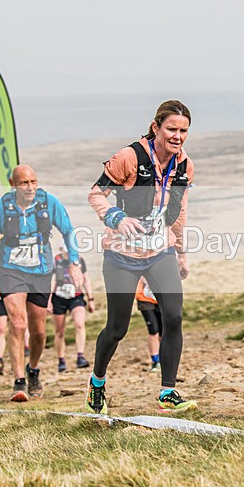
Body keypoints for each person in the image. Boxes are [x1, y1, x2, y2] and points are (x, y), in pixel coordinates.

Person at [87, 100, 195, 415]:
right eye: (172, 129)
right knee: (117, 327)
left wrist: (180, 252)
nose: (177, 136)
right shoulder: (129, 158)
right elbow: (96, 193)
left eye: (183, 130)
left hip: (159, 251)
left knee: (173, 317)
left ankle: (168, 391)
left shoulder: (184, 165)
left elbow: (179, 212)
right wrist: (116, 217)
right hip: (121, 253)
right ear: (156, 127)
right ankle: (97, 382)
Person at [0, 164, 83, 402]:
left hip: (41, 272)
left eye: (33, 181)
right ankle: (19, 380)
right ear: (13, 184)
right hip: (11, 271)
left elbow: (69, 231)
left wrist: (74, 262)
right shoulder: (1, 208)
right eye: (24, 183)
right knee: (17, 323)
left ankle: (33, 370)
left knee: (39, 331)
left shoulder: (48, 202)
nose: (30, 187)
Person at [47, 245, 94, 372]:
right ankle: (61, 360)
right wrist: (49, 300)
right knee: (60, 331)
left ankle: (80, 356)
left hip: (76, 296)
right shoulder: (56, 260)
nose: (68, 254)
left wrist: (91, 299)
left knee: (79, 324)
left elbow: (85, 279)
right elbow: (52, 281)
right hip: (59, 297)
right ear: (62, 250)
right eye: (66, 252)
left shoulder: (79, 259)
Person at [135, 277, 162, 373]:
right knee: (153, 329)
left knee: (163, 330)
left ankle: (165, 359)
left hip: (162, 297)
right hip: (144, 298)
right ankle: (155, 360)